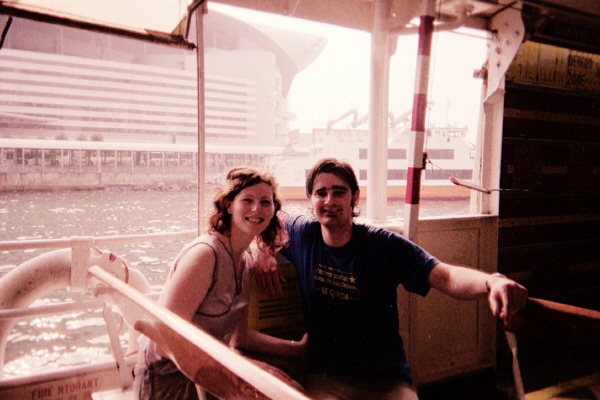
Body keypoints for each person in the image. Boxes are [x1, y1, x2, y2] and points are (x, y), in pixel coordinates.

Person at [253, 158, 529, 400]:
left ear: (355, 198)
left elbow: (444, 275)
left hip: (387, 382)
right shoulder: (303, 234)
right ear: (310, 199)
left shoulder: (382, 245)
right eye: (320, 193)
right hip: (327, 380)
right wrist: (260, 249)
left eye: (339, 192)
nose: (329, 201)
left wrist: (492, 282)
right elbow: (259, 217)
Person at [133, 167, 306, 400]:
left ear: (274, 210)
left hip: (208, 369)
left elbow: (239, 338)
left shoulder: (245, 261)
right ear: (228, 205)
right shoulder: (205, 255)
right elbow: (165, 343)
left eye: (266, 202)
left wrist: (296, 348)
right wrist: (241, 370)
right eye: (247, 200)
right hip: (168, 377)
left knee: (292, 389)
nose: (257, 208)